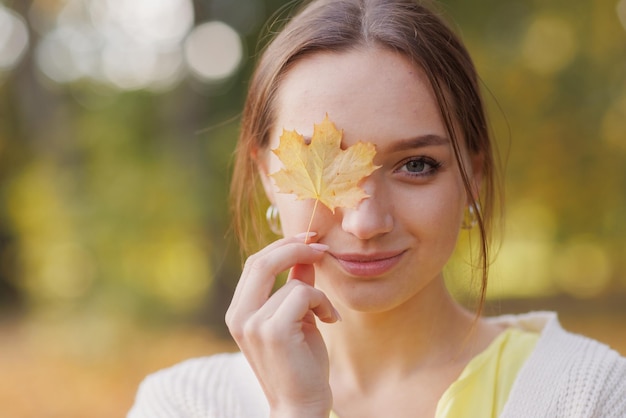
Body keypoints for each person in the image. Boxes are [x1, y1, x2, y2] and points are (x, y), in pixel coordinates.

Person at [127, 0, 626, 417]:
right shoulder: (182, 405)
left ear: (473, 175)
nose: (365, 223)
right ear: (267, 178)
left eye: (416, 165)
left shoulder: (588, 394)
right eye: (324, 166)